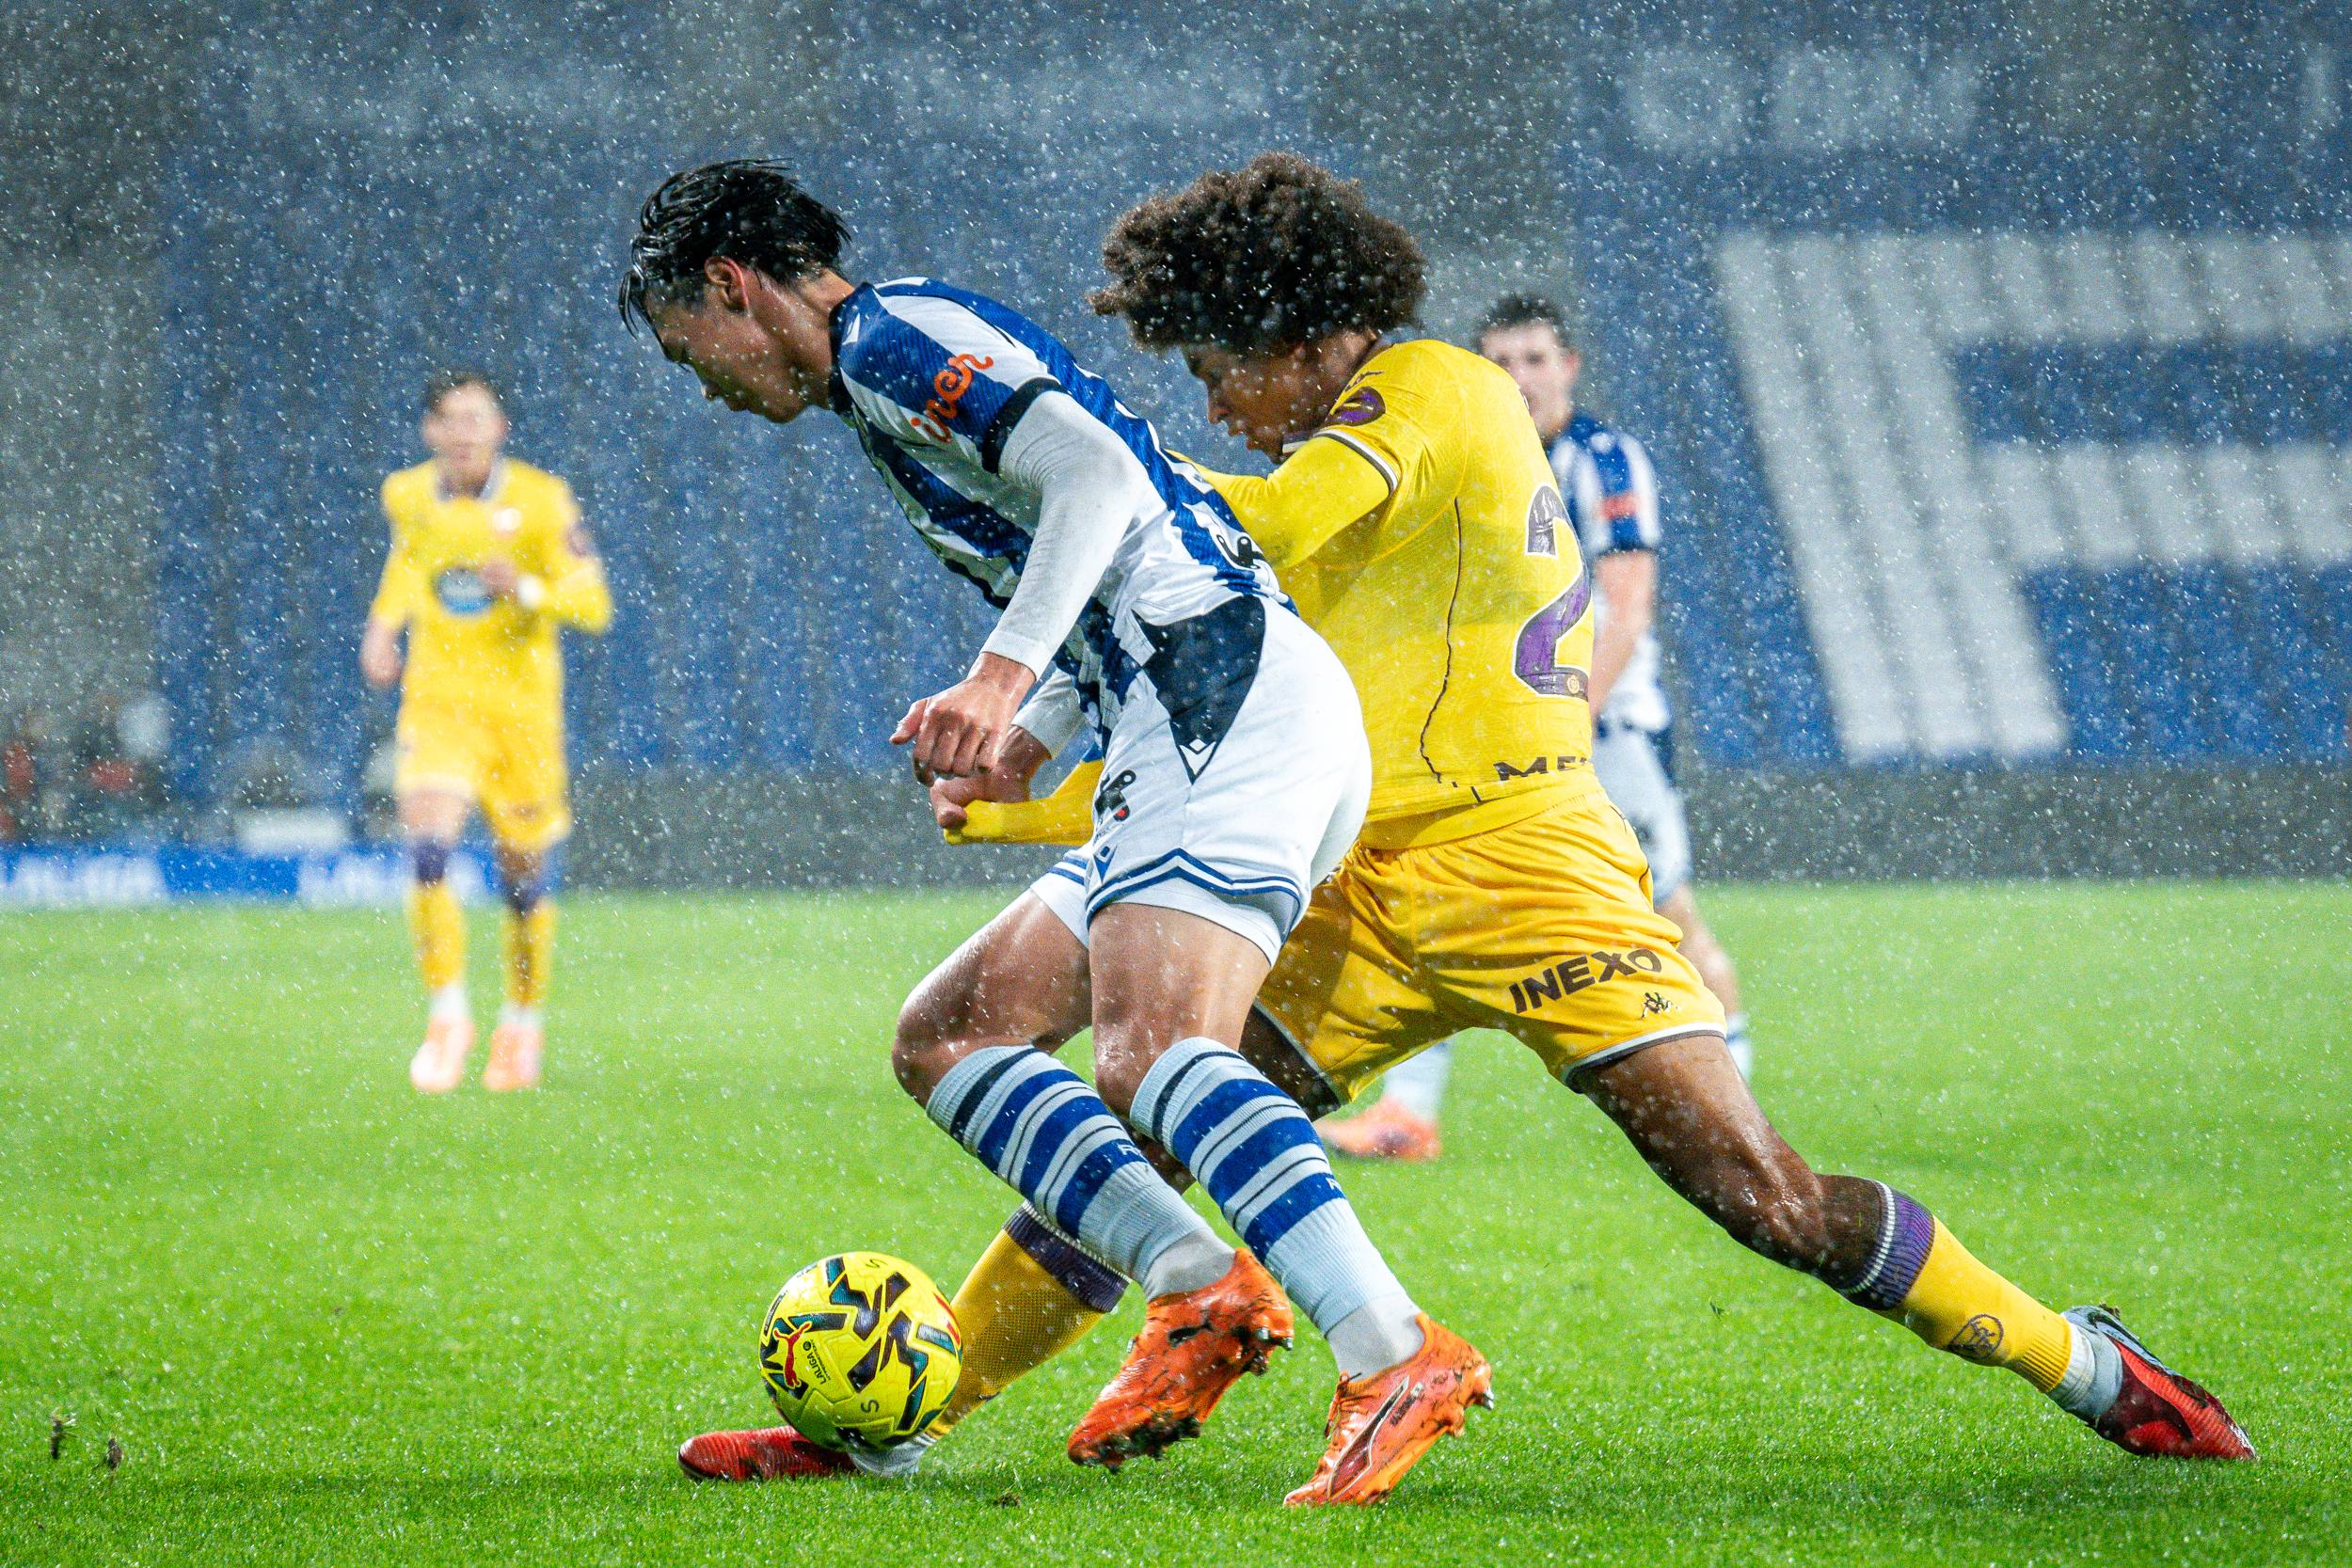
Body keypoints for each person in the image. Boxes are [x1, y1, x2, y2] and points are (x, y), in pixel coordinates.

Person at [677, 153, 2251, 1493]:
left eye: (1223, 369)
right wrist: (1048, 749)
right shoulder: (1330, 430)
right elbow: (1227, 652)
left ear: (1298, 338)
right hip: (1359, 868)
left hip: (1529, 860)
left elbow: (1255, 528)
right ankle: (914, 1412)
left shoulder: (1436, 389)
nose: (1223, 405)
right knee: (1146, 1118)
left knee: (1762, 1195)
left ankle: (2082, 1361)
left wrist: (1105, 467)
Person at [621, 159, 1485, 1504]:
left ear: (735, 288)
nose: (710, 384)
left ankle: (1394, 1350)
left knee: (1156, 1057)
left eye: (693, 351)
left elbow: (1095, 483)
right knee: (952, 1029)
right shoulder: (877, 376)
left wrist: (1001, 672)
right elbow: (1142, 522)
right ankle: (1198, 1287)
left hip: (1224, 700)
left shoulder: (895, 337)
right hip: (1191, 703)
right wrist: (1044, 716)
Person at [1325, 294, 1753, 1163]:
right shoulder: (1478, 454)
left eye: (1534, 359)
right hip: (1500, 729)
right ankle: (1409, 1112)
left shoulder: (1601, 458)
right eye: (1501, 362)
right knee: (1425, 886)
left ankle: (1738, 1109)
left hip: (1606, 729)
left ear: (1570, 366)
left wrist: (1570, 718)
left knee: (1668, 917)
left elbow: (1626, 606)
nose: (1518, 379)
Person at [360, 372, 612, 1093]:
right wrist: (382, 629)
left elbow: (592, 602)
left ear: (500, 428)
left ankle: (520, 1025)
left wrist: (525, 588)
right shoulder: (408, 495)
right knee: (428, 842)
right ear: (430, 432)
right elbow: (409, 564)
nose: (465, 432)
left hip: (522, 719)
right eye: (451, 419)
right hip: (439, 705)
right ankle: (447, 1017)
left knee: (523, 884)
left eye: (478, 418)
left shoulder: (541, 499)